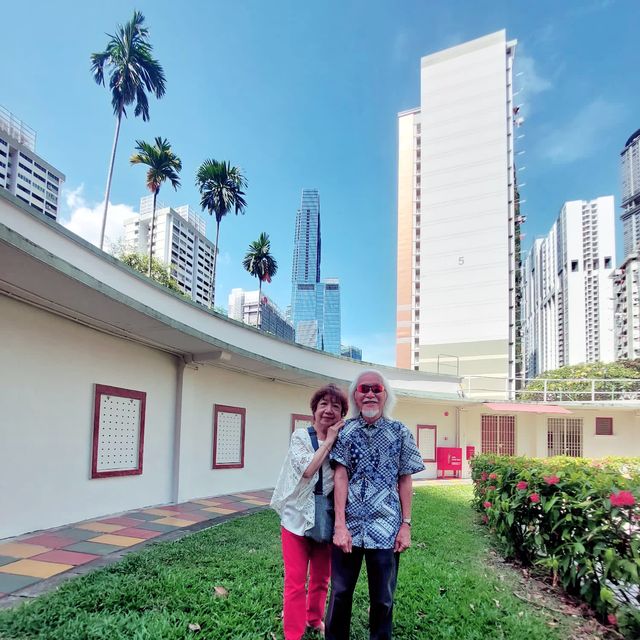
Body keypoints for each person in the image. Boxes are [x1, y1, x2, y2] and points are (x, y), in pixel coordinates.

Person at [325, 370, 425, 640]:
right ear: (355, 396)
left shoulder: (400, 432)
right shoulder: (346, 432)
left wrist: (406, 525)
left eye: (376, 389)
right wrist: (340, 526)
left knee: (383, 598)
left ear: (385, 395)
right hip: (350, 526)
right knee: (340, 593)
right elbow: (340, 476)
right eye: (364, 389)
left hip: (386, 527)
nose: (370, 394)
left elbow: (405, 479)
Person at [271, 383, 349, 640]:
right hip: (296, 518)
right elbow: (308, 470)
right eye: (323, 404)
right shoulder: (301, 437)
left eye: (335, 406)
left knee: (321, 577)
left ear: (342, 414)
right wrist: (328, 442)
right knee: (295, 581)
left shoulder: (344, 441)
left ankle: (314, 619)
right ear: (314, 410)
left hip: (326, 517)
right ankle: (293, 633)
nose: (328, 410)